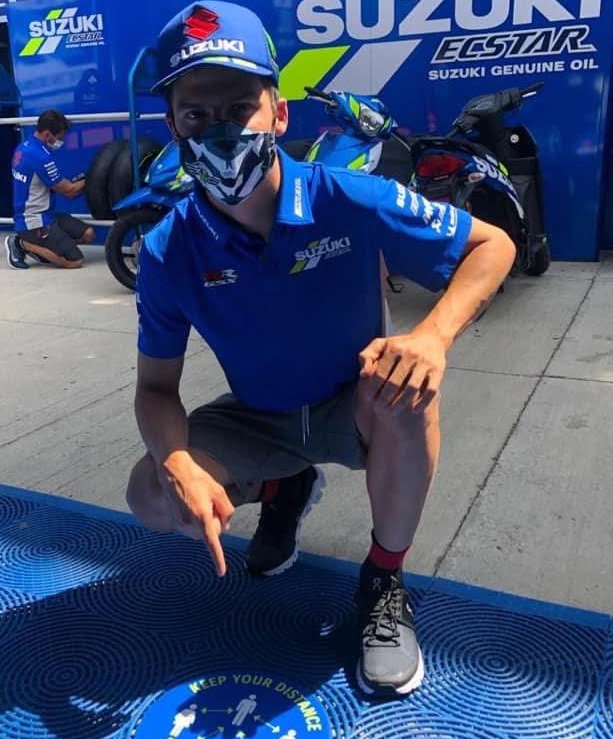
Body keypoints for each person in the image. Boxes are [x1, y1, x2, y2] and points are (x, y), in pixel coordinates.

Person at [126, 1, 516, 697]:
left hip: (354, 405)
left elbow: (494, 245)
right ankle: (286, 487)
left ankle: (383, 581)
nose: (219, 130)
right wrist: (178, 462)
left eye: (239, 107)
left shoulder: (350, 198)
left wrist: (431, 336)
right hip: (258, 416)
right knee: (151, 495)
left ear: (278, 115)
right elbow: (156, 389)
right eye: (197, 114)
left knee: (406, 392)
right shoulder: (166, 250)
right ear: (173, 127)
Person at [6, 109, 94, 270]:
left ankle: (48, 248)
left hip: (47, 215)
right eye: (60, 137)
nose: (61, 141)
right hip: (34, 222)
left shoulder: (24, 147)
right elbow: (69, 191)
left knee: (88, 233)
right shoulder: (40, 157)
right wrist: (93, 178)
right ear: (47, 134)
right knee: (75, 261)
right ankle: (22, 243)